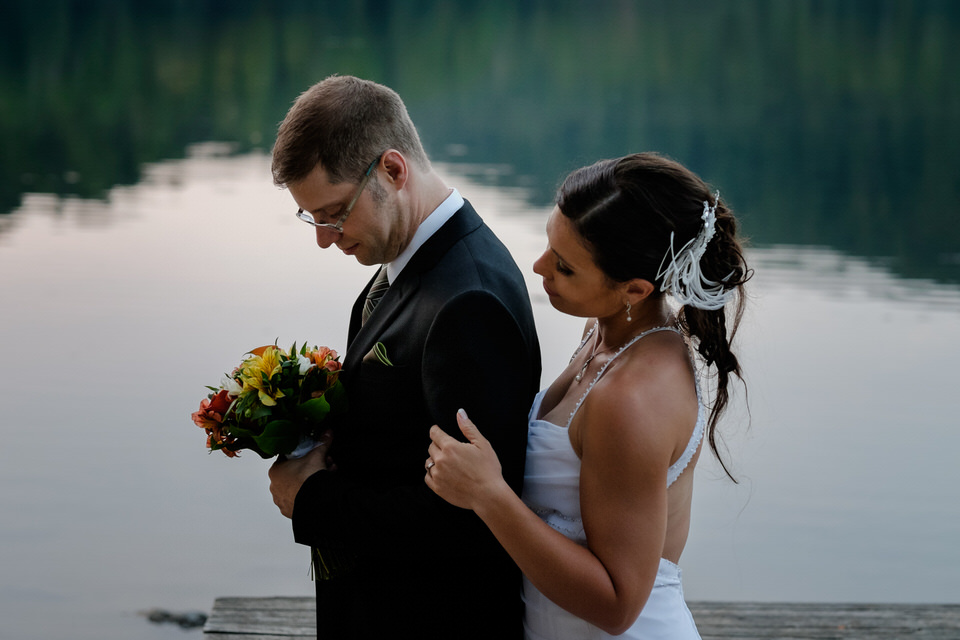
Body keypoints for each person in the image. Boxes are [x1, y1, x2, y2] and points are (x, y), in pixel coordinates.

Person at [424, 152, 750, 639]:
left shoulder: (631, 400)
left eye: (564, 267)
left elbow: (619, 605)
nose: (537, 267)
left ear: (634, 290)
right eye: (548, 245)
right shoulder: (607, 332)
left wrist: (489, 495)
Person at [266, 75, 541, 638]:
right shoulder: (408, 262)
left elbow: (471, 518)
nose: (324, 238)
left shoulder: (469, 300)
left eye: (334, 211)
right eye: (311, 217)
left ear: (393, 170)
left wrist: (311, 500)